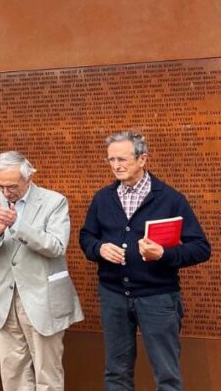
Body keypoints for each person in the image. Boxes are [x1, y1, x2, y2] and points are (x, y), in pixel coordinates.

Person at [79, 131, 211, 391]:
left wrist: (163, 254)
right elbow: (86, 237)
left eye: (122, 159)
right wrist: (99, 248)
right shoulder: (103, 198)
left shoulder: (171, 199)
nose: (116, 165)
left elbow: (200, 248)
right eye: (111, 159)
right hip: (113, 296)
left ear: (142, 159)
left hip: (158, 298)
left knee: (167, 374)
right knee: (116, 373)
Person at [0, 151, 83, 391]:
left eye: (11, 186)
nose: (5, 193)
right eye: (0, 186)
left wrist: (18, 226)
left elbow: (57, 246)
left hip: (43, 298)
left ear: (28, 178)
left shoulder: (54, 201)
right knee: (12, 372)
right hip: (4, 298)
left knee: (48, 374)